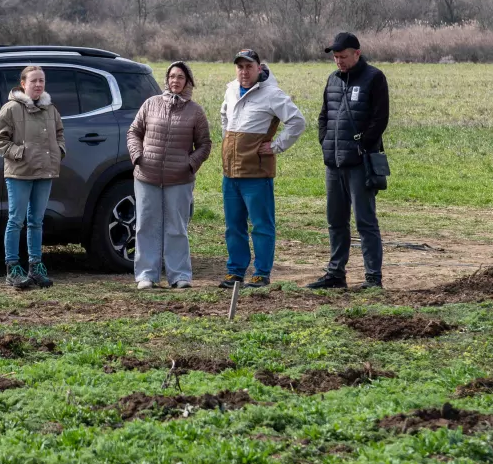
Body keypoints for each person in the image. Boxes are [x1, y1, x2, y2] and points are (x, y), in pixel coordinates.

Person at [306, 32, 390, 291]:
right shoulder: (332, 80)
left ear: (357, 53)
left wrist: (361, 145)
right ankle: (335, 274)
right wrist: (325, 141)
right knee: (336, 221)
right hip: (334, 163)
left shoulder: (374, 78)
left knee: (365, 221)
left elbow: (380, 119)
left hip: (359, 164)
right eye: (335, 57)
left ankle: (373, 278)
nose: (338, 61)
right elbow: (324, 116)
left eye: (343, 56)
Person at [218, 49, 306, 289]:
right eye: (240, 67)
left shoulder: (272, 94)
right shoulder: (231, 89)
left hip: (256, 173)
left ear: (259, 67)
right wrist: (227, 141)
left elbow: (298, 122)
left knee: (261, 225)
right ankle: (235, 271)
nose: (244, 72)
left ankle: (261, 273)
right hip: (231, 172)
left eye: (249, 67)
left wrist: (277, 146)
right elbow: (224, 115)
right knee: (233, 225)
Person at [126, 61, 211, 290]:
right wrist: (138, 156)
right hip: (146, 175)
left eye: (180, 77)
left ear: (188, 82)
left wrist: (190, 163)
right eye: (172, 76)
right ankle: (146, 275)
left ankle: (180, 275)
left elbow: (204, 145)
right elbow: (134, 132)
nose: (175, 81)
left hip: (179, 179)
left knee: (177, 227)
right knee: (145, 225)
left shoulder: (195, 111)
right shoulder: (150, 104)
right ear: (167, 79)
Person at [0, 65, 65, 290]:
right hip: (19, 173)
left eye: (41, 81)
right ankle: (12, 268)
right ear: (23, 84)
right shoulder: (11, 109)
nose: (38, 85)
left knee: (36, 222)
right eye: (33, 81)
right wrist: (18, 153)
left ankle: (35, 267)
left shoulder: (50, 109)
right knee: (16, 220)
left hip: (45, 172)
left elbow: (60, 133)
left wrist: (58, 151)